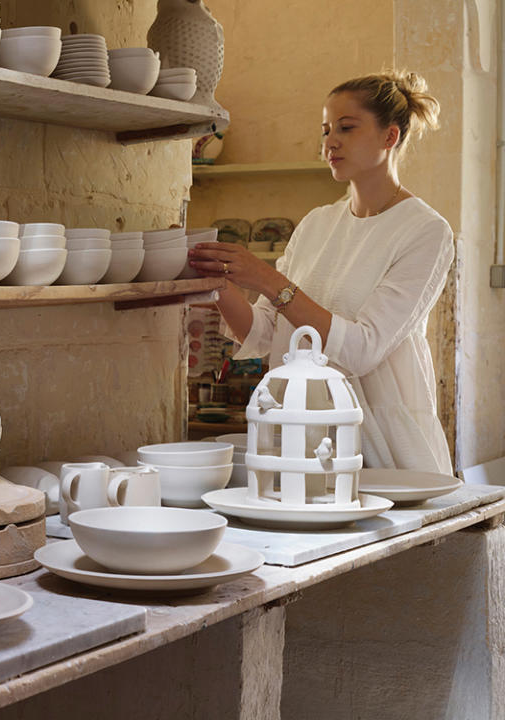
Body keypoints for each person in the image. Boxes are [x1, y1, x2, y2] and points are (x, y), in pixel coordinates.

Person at [187, 70, 454, 474]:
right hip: (300, 437)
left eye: (346, 128)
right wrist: (217, 280)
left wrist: (267, 280)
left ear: (390, 137)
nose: (330, 142)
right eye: (326, 130)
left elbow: (362, 349)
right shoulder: (315, 224)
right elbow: (262, 334)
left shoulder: (426, 232)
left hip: (383, 451)